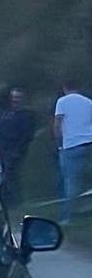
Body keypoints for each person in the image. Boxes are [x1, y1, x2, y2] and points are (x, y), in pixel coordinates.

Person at [52, 80, 92, 223]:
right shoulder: (88, 102)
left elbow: (57, 124)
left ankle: (66, 216)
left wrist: (59, 144)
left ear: (64, 87)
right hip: (89, 143)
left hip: (71, 145)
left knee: (70, 181)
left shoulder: (62, 102)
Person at [0, 87, 37, 204]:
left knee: (10, 176)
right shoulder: (6, 113)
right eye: (13, 97)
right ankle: (8, 200)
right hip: (1, 148)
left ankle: (14, 201)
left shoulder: (26, 115)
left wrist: (18, 150)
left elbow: (26, 135)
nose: (15, 100)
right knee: (3, 175)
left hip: (14, 149)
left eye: (18, 97)